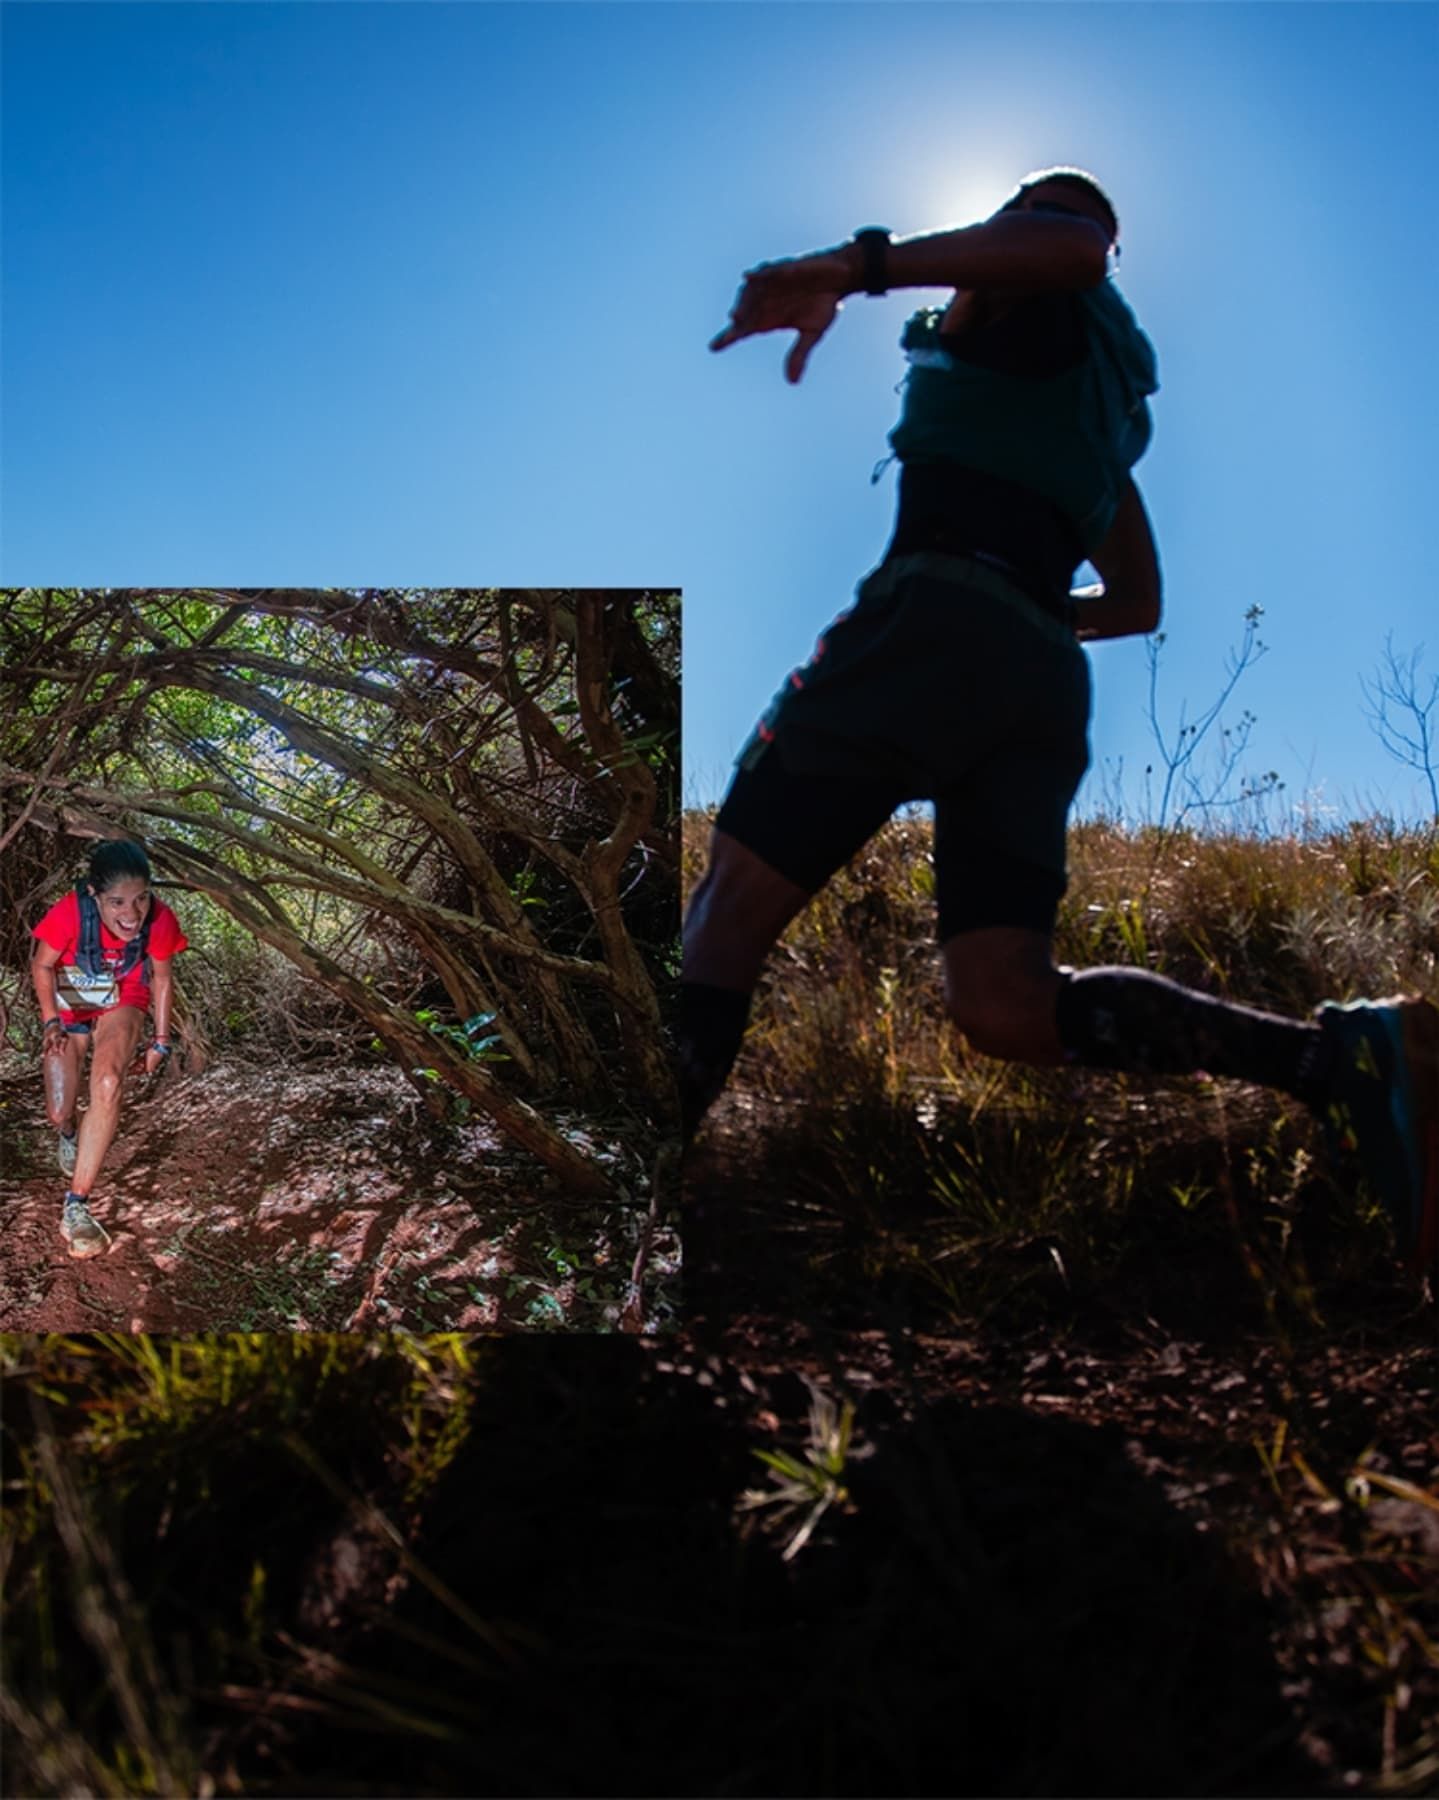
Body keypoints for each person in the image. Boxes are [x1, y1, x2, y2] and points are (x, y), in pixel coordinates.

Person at [682, 167, 1438, 1281]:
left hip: (920, 630)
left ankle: (619, 1204)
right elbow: (1136, 605)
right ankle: (1339, 1061)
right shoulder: (1098, 421)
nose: (1014, 228)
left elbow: (1068, 250)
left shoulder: (1029, 291)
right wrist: (1017, 621)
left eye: (1026, 212)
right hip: (1037, 679)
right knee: (1002, 1002)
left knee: (726, 912)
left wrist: (857, 265)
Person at [30, 839, 189, 1258]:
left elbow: (161, 978)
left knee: (107, 1082)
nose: (131, 914)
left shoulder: (158, 920)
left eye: (140, 899)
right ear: (94, 895)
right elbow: (42, 964)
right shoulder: (70, 913)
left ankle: (77, 1206)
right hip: (73, 998)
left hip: (125, 997)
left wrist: (160, 1041)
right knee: (59, 1107)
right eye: (117, 902)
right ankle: (68, 1131)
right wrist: (50, 1022)